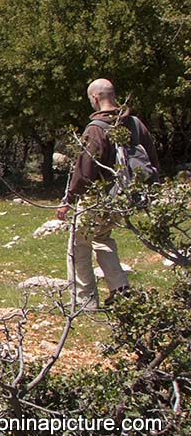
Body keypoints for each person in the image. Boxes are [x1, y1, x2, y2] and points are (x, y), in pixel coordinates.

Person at [56, 79, 159, 310]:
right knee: (102, 239)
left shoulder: (95, 129)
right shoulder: (134, 123)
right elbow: (152, 159)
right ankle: (120, 290)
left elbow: (84, 171)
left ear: (94, 99)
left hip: (100, 199)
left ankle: (85, 301)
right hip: (124, 198)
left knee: (78, 245)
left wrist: (68, 200)